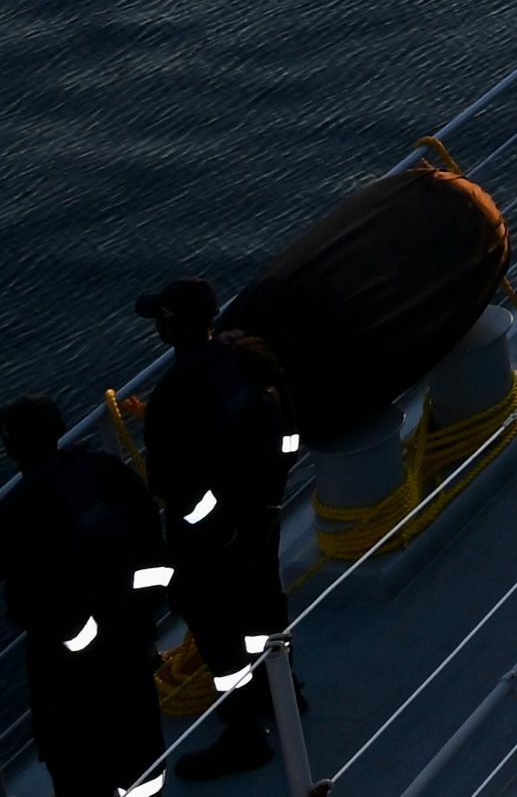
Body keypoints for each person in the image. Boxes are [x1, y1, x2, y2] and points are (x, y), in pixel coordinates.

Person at [134, 280, 294, 782]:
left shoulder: (173, 396)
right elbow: (288, 430)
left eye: (160, 318)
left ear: (172, 326)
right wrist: (267, 497)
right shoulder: (253, 354)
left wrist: (211, 529)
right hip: (263, 514)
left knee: (219, 636)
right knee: (265, 606)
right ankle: (284, 691)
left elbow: (168, 485)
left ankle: (244, 737)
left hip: (212, 543)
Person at [0, 397, 168, 797]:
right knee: (140, 747)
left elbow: (24, 603)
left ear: (12, 447)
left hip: (68, 667)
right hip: (131, 637)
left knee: (74, 759)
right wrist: (137, 609)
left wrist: (77, 633)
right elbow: (150, 535)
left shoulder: (18, 510)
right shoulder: (106, 471)